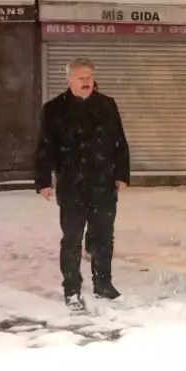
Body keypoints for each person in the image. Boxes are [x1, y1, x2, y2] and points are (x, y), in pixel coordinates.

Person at [34, 58, 130, 311]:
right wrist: (43, 180)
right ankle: (72, 289)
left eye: (89, 76)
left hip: (103, 184)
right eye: (81, 77)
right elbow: (45, 147)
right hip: (72, 185)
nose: (87, 81)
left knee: (103, 237)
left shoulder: (107, 106)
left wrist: (122, 174)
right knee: (72, 239)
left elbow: (119, 142)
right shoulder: (54, 109)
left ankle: (103, 284)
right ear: (69, 80)